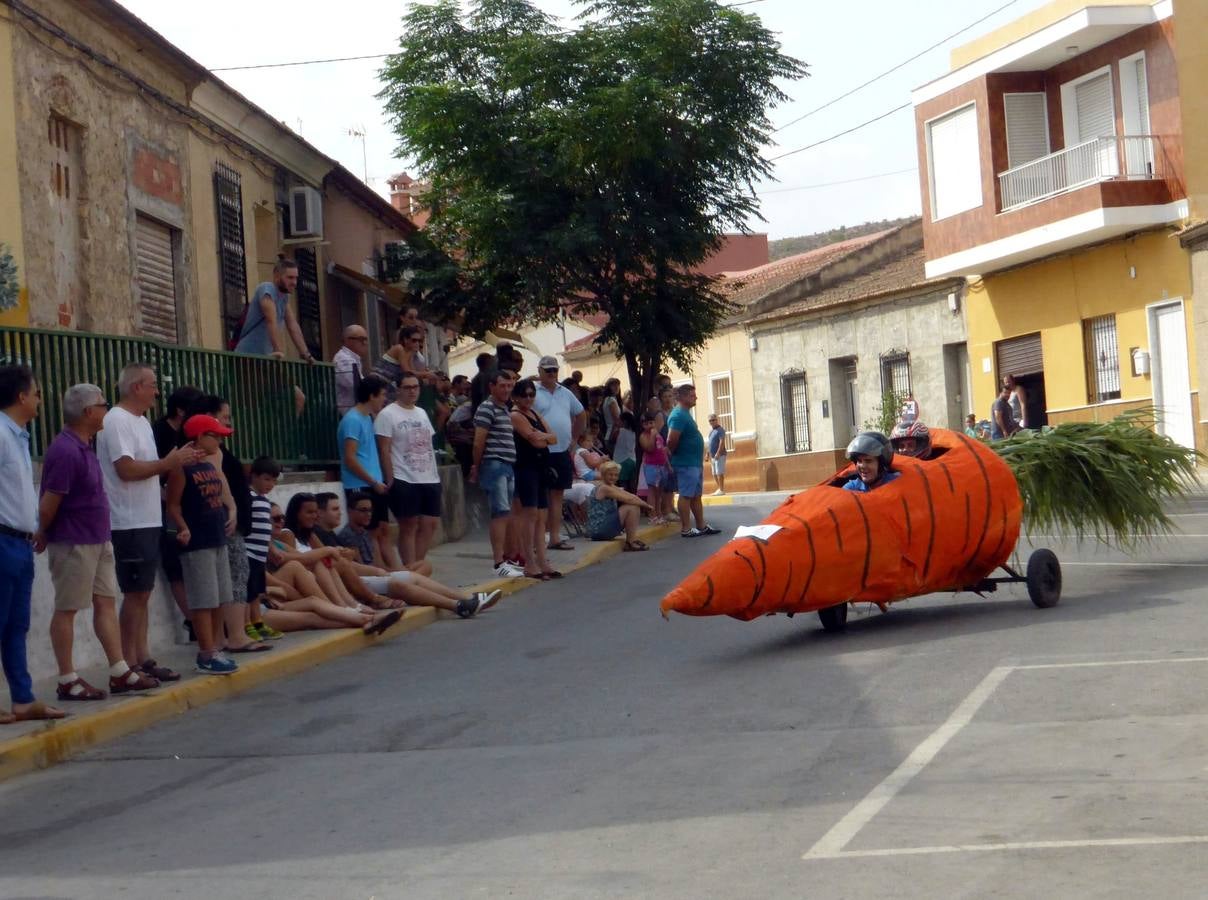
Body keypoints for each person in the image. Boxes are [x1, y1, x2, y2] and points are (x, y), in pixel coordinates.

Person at [36, 384, 158, 701]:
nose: (107, 409)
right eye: (102, 405)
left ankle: (119, 670)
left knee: (105, 601)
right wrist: (43, 531)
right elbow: (50, 502)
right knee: (68, 608)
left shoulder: (84, 446)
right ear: (89, 412)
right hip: (74, 540)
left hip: (98, 538)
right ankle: (67, 678)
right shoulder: (64, 450)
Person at [97, 362, 201, 683]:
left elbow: (150, 469)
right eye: (152, 384)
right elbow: (126, 469)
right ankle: (128, 663)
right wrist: (169, 462)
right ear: (135, 387)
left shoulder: (140, 422)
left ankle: (142, 657)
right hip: (127, 520)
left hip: (146, 517)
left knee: (143, 592)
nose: (157, 392)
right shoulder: (116, 421)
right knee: (135, 592)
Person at [166, 414, 256, 676]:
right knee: (203, 599)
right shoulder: (182, 468)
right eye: (213, 435)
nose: (218, 440)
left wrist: (230, 512)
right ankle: (206, 652)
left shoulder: (208, 464)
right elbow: (173, 504)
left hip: (217, 537)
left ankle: (215, 647)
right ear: (197, 437)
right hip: (198, 541)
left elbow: (220, 494)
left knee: (219, 597)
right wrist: (182, 528)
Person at [0, 366, 66, 723]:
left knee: (17, 625)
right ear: (22, 396)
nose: (40, 400)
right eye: (37, 393)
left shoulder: (19, 436)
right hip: (2, 540)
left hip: (21, 543)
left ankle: (23, 698)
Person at [190, 394, 274, 651]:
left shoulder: (216, 448)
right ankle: (235, 635)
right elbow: (218, 479)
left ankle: (227, 636)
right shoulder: (208, 451)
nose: (227, 424)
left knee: (233, 577)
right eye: (224, 417)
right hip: (224, 522)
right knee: (235, 575)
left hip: (228, 520)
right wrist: (232, 507)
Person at [262, 503, 403, 636]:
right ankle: (361, 613)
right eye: (275, 519)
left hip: (284, 597)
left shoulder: (282, 541)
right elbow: (293, 564)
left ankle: (357, 614)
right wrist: (328, 550)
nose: (280, 521)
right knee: (313, 613)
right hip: (265, 606)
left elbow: (305, 558)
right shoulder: (278, 539)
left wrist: (332, 552)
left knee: (322, 567)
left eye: (282, 518)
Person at [376, 371, 442, 567]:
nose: (412, 391)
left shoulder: (421, 412)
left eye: (416, 387)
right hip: (403, 476)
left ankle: (416, 568)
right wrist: (390, 479)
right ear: (398, 389)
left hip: (428, 476)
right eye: (408, 387)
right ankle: (410, 569)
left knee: (430, 524)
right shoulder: (387, 414)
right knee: (409, 526)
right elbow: (384, 449)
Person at [152, 384, 202, 637]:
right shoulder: (158, 432)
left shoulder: (190, 435)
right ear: (180, 411)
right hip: (164, 505)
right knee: (174, 563)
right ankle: (192, 620)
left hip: (188, 504)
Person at [337, 374, 397, 568]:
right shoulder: (353, 420)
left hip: (374, 483)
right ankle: (380, 573)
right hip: (360, 485)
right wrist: (373, 482)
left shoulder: (368, 418)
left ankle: (396, 570)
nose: (384, 400)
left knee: (382, 529)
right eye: (382, 395)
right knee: (369, 532)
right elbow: (350, 457)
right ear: (371, 396)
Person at [471, 370, 523, 577]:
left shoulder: (504, 409)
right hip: (495, 464)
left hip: (507, 465)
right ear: (492, 386)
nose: (506, 390)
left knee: (506, 512)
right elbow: (478, 441)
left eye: (509, 386)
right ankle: (498, 562)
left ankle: (507, 558)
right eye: (502, 386)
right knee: (500, 513)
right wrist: (477, 466)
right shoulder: (487, 408)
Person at [533, 356, 586, 552]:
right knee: (539, 496)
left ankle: (554, 537)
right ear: (540, 371)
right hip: (540, 451)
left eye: (554, 370)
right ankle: (539, 538)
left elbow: (580, 414)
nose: (552, 374)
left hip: (561, 450)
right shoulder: (534, 391)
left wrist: (574, 439)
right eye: (548, 371)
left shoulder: (565, 392)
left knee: (557, 496)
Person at [510, 379, 560, 579]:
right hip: (526, 468)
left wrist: (544, 436)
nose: (529, 399)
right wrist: (543, 437)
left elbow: (553, 437)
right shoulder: (516, 415)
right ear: (516, 396)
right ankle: (529, 561)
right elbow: (535, 440)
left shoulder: (534, 413)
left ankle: (542, 560)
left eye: (532, 395)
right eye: (524, 395)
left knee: (541, 517)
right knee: (529, 516)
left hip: (540, 468)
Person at [234, 258, 314, 363]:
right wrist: (278, 350)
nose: (294, 282)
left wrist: (306, 354)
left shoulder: (284, 298)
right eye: (290, 277)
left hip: (264, 358)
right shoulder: (267, 289)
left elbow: (293, 325)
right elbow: (271, 320)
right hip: (247, 356)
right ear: (277, 276)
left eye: (296, 278)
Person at [666, 384, 720, 539]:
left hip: (693, 463)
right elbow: (671, 439)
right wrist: (674, 452)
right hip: (685, 463)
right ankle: (686, 528)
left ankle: (701, 526)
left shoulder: (685, 414)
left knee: (696, 495)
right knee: (686, 495)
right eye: (691, 395)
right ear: (682, 397)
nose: (695, 397)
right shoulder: (678, 415)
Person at [244, 455, 284, 642]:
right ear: (254, 476)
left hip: (260, 555)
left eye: (274, 480)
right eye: (267, 479)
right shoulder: (248, 497)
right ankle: (247, 624)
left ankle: (257, 622)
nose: (271, 484)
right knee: (247, 592)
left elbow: (265, 530)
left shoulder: (265, 501)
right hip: (248, 552)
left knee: (257, 592)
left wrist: (271, 548)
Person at [586, 461, 654, 551]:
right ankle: (631, 541)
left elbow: (631, 496)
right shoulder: (604, 488)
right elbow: (629, 500)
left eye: (616, 475)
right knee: (631, 507)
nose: (613, 477)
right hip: (598, 529)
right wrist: (647, 506)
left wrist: (646, 505)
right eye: (610, 474)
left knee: (634, 505)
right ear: (603, 475)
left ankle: (631, 540)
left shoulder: (611, 486)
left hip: (603, 527)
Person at [638, 412, 669, 525]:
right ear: (643, 425)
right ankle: (652, 515)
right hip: (651, 466)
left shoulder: (659, 435)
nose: (650, 426)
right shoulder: (643, 436)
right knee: (652, 491)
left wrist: (668, 465)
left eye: (651, 423)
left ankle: (659, 513)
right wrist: (652, 436)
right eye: (646, 424)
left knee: (659, 492)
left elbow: (662, 451)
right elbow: (649, 448)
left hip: (661, 465)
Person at [332, 325, 369, 417]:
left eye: (366, 339)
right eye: (361, 339)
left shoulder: (353, 358)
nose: (365, 343)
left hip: (354, 411)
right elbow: (357, 385)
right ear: (348, 340)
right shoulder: (343, 359)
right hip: (346, 413)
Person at [707, 413, 727, 496]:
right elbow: (710, 443)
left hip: (720, 455)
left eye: (713, 420)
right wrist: (707, 454)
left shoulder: (720, 430)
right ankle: (719, 488)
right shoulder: (711, 431)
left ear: (716, 420)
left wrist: (718, 453)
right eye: (710, 420)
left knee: (719, 472)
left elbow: (722, 442)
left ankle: (722, 489)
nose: (712, 422)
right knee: (714, 473)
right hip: (712, 456)